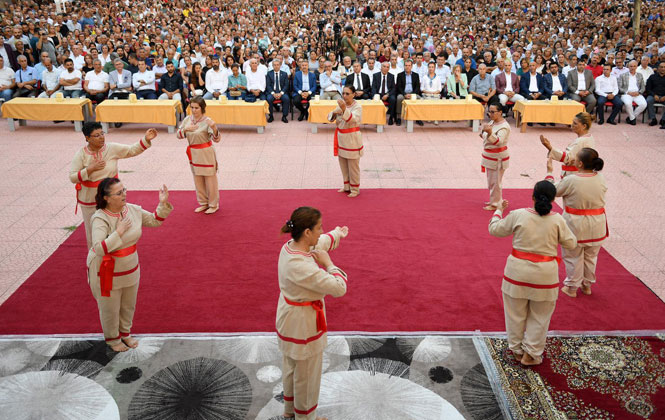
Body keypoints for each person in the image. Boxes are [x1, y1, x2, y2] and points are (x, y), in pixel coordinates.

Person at [488, 181, 577, 366]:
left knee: (514, 314)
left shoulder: (519, 215)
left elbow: (494, 229)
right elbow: (571, 244)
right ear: (553, 200)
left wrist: (498, 210)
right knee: (540, 316)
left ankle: (517, 349)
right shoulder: (558, 220)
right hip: (546, 277)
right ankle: (532, 353)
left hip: (516, 274)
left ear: (533, 197)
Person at [276, 206, 349, 420]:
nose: (321, 231)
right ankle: (306, 417)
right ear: (307, 232)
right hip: (304, 326)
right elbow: (339, 288)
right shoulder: (302, 266)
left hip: (288, 319)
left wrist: (336, 234)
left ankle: (290, 411)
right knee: (307, 375)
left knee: (290, 367)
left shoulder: (290, 247)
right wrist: (329, 264)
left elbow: (318, 244)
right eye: (319, 228)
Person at [87, 177, 173, 352]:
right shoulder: (100, 218)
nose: (124, 194)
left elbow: (155, 220)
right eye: (119, 193)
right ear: (106, 198)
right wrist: (118, 232)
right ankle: (113, 338)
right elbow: (99, 248)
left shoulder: (132, 210)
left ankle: (125, 333)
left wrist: (162, 204)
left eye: (124, 190)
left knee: (128, 304)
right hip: (106, 270)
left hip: (130, 267)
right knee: (110, 308)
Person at [69, 122, 158, 248]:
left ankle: (117, 257)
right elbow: (72, 177)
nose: (101, 137)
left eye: (102, 133)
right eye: (96, 135)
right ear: (87, 138)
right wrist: (89, 169)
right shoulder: (81, 154)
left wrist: (146, 139)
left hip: (113, 198)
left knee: (116, 227)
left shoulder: (111, 148)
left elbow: (131, 150)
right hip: (90, 199)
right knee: (93, 232)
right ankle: (95, 261)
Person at [545, 148, 608, 298]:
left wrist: (549, 173)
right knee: (591, 256)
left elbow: (553, 191)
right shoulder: (600, 177)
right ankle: (587, 285)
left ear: (580, 163)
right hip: (597, 223)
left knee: (573, 256)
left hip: (576, 224)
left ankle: (572, 287)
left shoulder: (572, 180)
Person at [176, 96, 220, 214]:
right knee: (198, 178)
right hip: (193, 153)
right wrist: (185, 129)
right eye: (192, 107)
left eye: (196, 108)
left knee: (210, 180)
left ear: (202, 108)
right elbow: (178, 135)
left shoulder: (207, 121)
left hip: (206, 153)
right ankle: (203, 203)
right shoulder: (187, 120)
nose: (194, 110)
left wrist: (214, 127)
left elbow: (216, 139)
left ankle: (213, 204)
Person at [328, 86, 363, 198]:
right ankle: (347, 186)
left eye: (348, 94)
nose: (345, 96)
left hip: (352, 139)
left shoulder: (357, 107)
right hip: (341, 138)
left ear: (354, 94)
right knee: (343, 164)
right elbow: (330, 118)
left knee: (353, 166)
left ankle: (355, 188)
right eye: (343, 93)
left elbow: (353, 120)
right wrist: (335, 112)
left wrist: (343, 109)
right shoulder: (341, 105)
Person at [539, 112, 595, 178]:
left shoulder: (580, 141)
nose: (572, 125)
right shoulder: (589, 137)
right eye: (572, 122)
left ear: (584, 126)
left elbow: (567, 158)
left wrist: (549, 147)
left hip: (574, 176)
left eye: (575, 123)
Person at [481, 103, 511, 211]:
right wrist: (484, 132)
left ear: (500, 112)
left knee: (496, 182)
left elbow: (499, 141)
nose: (490, 114)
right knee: (491, 181)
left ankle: (496, 204)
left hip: (498, 157)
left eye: (493, 112)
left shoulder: (504, 126)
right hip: (490, 156)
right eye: (489, 111)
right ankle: (495, 199)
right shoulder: (493, 122)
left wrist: (489, 133)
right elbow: (486, 136)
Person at [618, 60, 647, 126]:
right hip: (626, 94)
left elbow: (643, 87)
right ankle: (632, 119)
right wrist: (627, 92)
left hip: (637, 94)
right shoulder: (622, 75)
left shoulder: (640, 75)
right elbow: (619, 87)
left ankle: (631, 117)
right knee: (628, 104)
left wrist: (639, 92)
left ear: (637, 67)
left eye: (634, 66)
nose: (632, 68)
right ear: (628, 66)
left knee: (644, 104)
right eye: (631, 66)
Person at [395, 59, 422, 126]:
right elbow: (399, 87)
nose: (407, 67)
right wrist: (404, 94)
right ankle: (398, 117)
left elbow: (417, 87)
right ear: (404, 66)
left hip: (413, 93)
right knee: (399, 98)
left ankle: (418, 118)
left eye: (409, 65)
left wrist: (412, 95)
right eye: (406, 65)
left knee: (419, 98)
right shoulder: (400, 75)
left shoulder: (416, 75)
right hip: (403, 93)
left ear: (411, 66)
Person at [266, 59, 290, 123]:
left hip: (281, 92)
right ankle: (271, 116)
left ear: (280, 65)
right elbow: (268, 85)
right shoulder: (269, 74)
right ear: (272, 66)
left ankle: (284, 116)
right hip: (272, 92)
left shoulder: (284, 74)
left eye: (277, 65)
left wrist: (281, 93)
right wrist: (273, 93)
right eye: (274, 65)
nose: (276, 66)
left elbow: (286, 85)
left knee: (286, 98)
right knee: (269, 99)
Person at [645, 61, 665, 128]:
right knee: (649, 100)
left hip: (664, 96)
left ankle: (663, 120)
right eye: (661, 67)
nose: (663, 68)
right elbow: (648, 89)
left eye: (664, 67)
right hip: (653, 95)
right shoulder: (652, 77)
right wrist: (654, 95)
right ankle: (653, 119)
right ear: (658, 68)